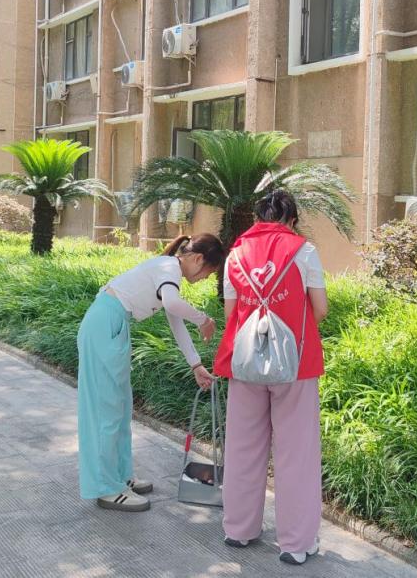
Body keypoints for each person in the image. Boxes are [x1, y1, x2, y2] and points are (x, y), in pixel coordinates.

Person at [213, 190, 329, 566]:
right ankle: (295, 543)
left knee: (243, 447)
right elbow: (320, 310)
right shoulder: (304, 251)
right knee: (296, 452)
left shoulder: (235, 254)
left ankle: (239, 529)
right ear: (291, 220)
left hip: (245, 362)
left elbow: (231, 313)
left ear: (257, 218)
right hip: (294, 364)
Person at [77, 233, 226, 512]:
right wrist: (203, 319)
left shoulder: (168, 273)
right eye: (209, 272)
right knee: (108, 411)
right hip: (105, 324)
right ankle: (107, 488)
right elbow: (173, 305)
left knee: (120, 410)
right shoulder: (169, 267)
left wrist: (196, 365)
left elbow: (175, 320)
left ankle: (120, 477)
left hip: (112, 324)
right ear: (197, 259)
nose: (206, 278)